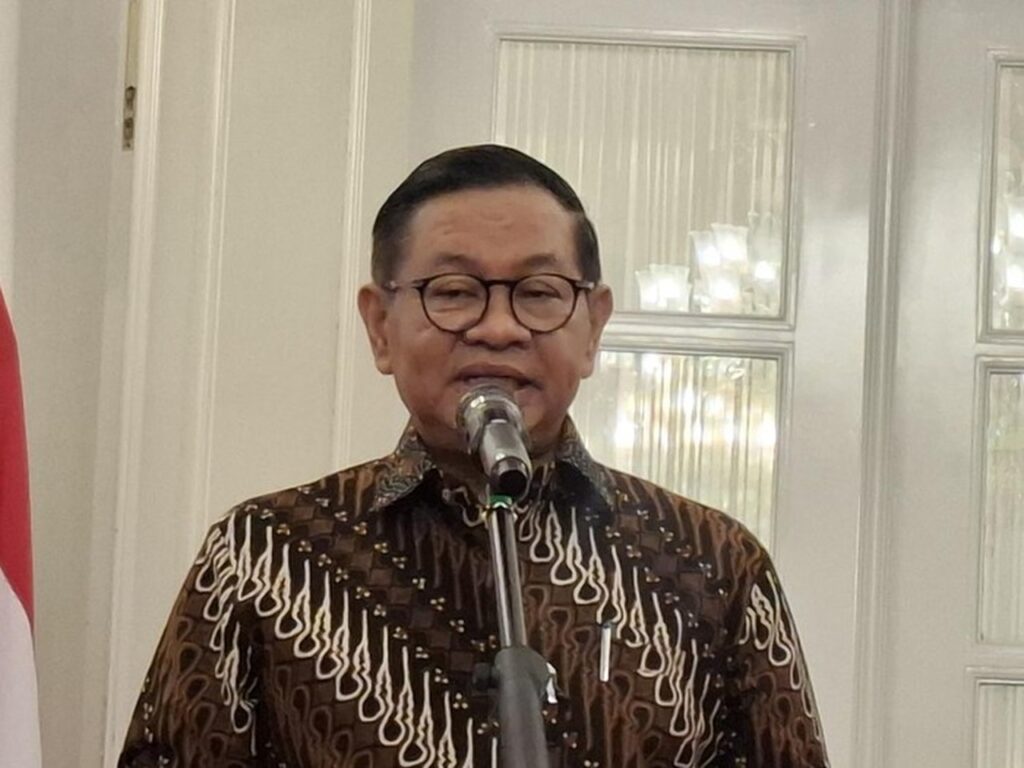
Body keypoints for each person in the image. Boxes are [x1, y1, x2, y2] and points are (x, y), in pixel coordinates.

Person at [119, 145, 830, 767]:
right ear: (380, 326)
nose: (497, 328)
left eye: (539, 293)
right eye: (453, 292)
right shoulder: (265, 556)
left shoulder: (712, 563)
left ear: (592, 327)